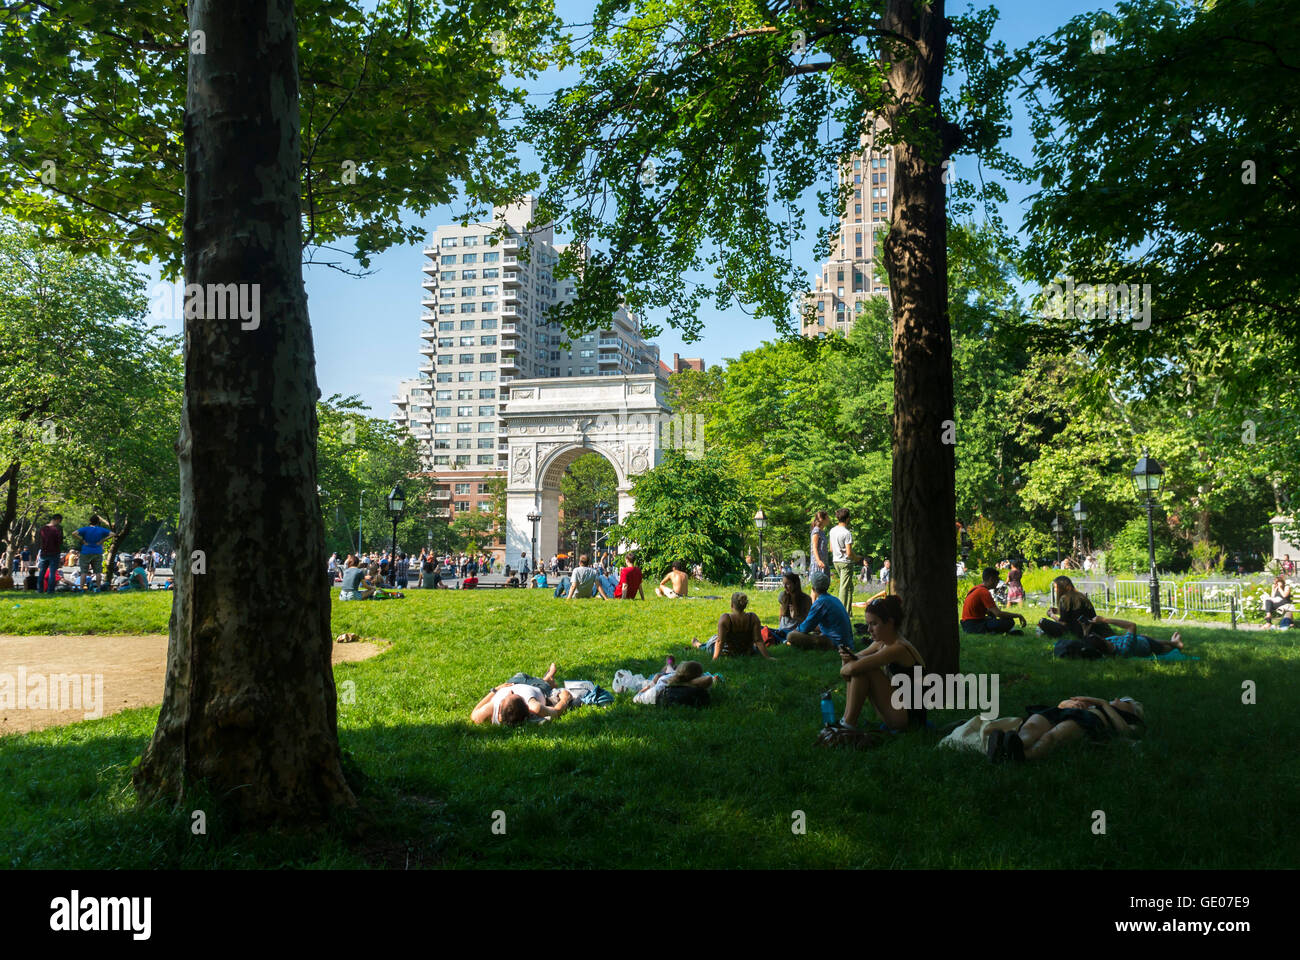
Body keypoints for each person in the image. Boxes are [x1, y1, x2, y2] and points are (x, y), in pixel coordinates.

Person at [832, 594, 927, 731]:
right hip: (897, 709)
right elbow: (851, 664)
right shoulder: (881, 643)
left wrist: (847, 666)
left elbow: (851, 669)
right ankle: (847, 721)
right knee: (861, 668)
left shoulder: (897, 648)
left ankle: (847, 724)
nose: (869, 630)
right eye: (868, 624)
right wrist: (845, 658)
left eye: (874, 624)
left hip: (910, 717)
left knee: (865, 669)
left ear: (890, 622)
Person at [985, 696, 1145, 763]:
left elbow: (1126, 732)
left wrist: (1103, 704)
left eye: (1125, 701)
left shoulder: (1128, 719)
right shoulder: (1094, 704)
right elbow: (1062, 703)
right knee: (1031, 727)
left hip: (1085, 721)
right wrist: (1067, 704)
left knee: (1051, 738)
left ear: (1132, 711)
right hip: (1061, 712)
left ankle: (1022, 756)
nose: (1116, 699)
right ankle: (1014, 743)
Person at [768, 569, 854, 651]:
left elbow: (806, 627)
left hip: (836, 643)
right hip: (847, 641)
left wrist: (794, 630)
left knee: (791, 636)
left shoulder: (820, 602)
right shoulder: (834, 599)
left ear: (813, 588)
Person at [469, 663, 575, 726]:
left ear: (501, 706)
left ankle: (548, 678)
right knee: (548, 687)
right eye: (513, 694)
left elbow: (474, 714)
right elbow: (556, 712)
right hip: (538, 687)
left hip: (515, 681)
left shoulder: (493, 708)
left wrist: (495, 690)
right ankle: (548, 678)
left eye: (509, 695)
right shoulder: (534, 706)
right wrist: (565, 699)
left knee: (523, 676)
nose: (510, 691)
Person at [692, 593, 776, 660]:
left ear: (732, 604)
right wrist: (767, 657)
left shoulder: (725, 618)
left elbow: (720, 642)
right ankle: (699, 644)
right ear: (745, 605)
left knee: (712, 641)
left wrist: (715, 659)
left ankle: (698, 645)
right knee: (715, 640)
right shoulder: (753, 618)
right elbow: (758, 640)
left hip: (727, 653)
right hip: (746, 652)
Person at [960, 568, 1026, 634]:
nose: (998, 582)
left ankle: (999, 631)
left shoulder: (976, 588)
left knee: (995, 617)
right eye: (997, 579)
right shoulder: (983, 592)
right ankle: (995, 631)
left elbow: (989, 611)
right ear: (991, 579)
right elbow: (998, 613)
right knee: (1009, 621)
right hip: (974, 626)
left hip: (967, 624)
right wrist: (1018, 615)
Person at [828, 508, 859, 612]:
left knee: (849, 587)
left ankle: (848, 611)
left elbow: (831, 549)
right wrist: (858, 558)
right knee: (844, 587)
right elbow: (849, 553)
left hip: (836, 561)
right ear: (848, 519)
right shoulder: (846, 533)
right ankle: (840, 611)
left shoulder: (832, 530)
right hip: (845, 562)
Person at [74, 515, 113, 588]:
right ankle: (98, 588)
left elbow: (74, 533)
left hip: (86, 551)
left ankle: (81, 588)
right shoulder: (101, 529)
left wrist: (82, 540)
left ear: (90, 521)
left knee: (84, 572)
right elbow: (112, 534)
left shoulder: (85, 529)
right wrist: (102, 540)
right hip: (97, 551)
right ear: (98, 522)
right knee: (98, 572)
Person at [36, 514, 64, 593]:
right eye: (60, 521)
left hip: (44, 552)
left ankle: (40, 590)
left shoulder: (43, 528)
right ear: (57, 520)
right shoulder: (58, 529)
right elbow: (60, 541)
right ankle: (50, 590)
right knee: (52, 572)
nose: (59, 523)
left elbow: (39, 540)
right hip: (54, 552)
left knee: (42, 572)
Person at [810, 510, 830, 577]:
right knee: (817, 585)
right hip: (818, 564)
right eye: (827, 517)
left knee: (824, 585)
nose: (829, 519)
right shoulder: (816, 531)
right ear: (822, 519)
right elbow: (814, 548)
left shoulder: (822, 531)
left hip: (824, 563)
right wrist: (818, 561)